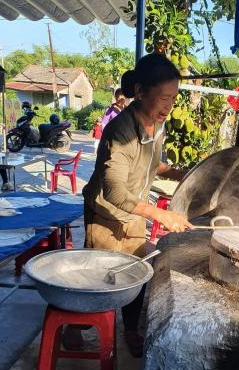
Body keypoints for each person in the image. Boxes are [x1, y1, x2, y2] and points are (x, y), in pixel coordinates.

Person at [64, 53, 192, 357]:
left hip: (134, 210)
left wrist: (178, 173)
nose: (169, 106)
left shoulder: (156, 125)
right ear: (140, 92)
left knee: (136, 271)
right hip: (105, 213)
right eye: (163, 98)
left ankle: (131, 330)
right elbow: (114, 192)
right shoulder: (119, 132)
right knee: (100, 277)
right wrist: (160, 214)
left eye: (173, 98)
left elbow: (149, 163)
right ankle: (75, 328)